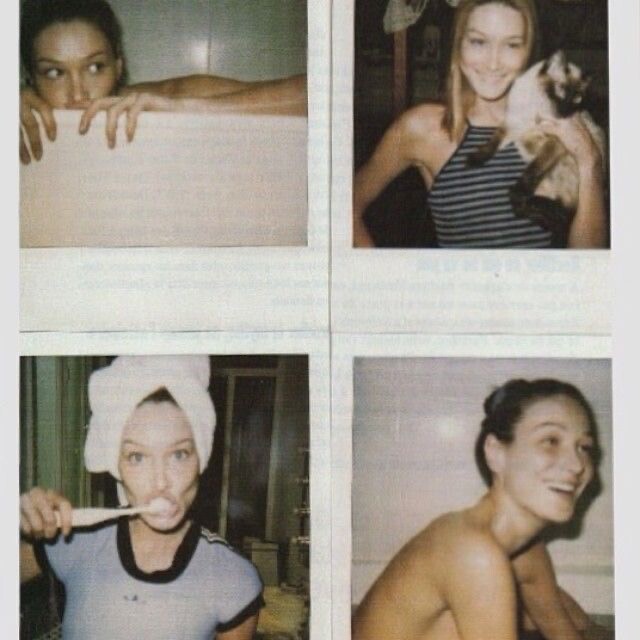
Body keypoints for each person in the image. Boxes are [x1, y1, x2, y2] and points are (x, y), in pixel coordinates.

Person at [20, 356, 264, 640]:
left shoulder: (233, 579)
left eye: (179, 454)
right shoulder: (75, 541)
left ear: (202, 457)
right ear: (116, 465)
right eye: (137, 457)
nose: (160, 482)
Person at [352, 378, 613, 640]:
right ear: (495, 452)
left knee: (572, 614)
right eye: (551, 441)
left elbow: (565, 633)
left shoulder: (526, 552)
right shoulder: (474, 553)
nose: (577, 465)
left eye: (584, 447)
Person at [353, 0, 606, 248]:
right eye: (478, 41)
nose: (493, 63)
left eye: (511, 45)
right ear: (459, 45)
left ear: (527, 51)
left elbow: (587, 263)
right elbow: (345, 208)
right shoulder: (424, 128)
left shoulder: (555, 126)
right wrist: (382, 274)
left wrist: (590, 161)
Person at [20, 0, 307, 164]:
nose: (78, 93)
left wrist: (180, 112)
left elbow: (317, 93)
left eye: (95, 67)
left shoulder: (161, 98)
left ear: (118, 66)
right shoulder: (16, 115)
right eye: (54, 73)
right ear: (31, 78)